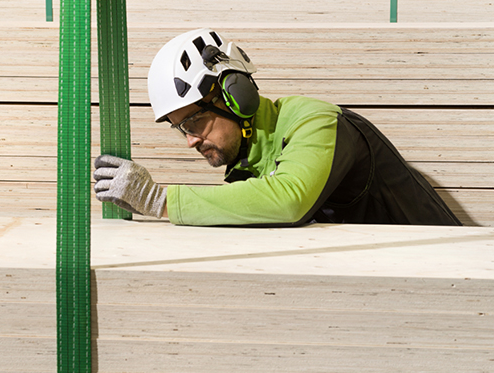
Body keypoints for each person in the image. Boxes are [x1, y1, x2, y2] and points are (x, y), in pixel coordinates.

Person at [93, 29, 462, 227]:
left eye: (194, 121)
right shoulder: (246, 166)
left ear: (235, 95)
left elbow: (289, 200)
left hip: (448, 271)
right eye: (180, 128)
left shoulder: (317, 122)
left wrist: (160, 201)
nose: (190, 140)